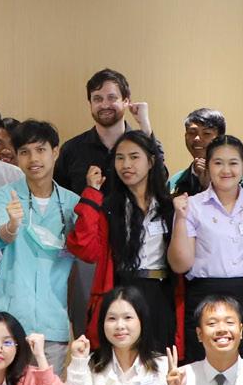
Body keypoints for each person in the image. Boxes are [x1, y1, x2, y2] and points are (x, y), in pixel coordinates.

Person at [170, 135, 243, 368]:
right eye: (218, 163)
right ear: (208, 166)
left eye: (233, 163)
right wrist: (180, 217)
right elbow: (180, 265)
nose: (226, 170)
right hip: (203, 297)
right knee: (202, 373)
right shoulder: (192, 206)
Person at [69, 129, 179, 350]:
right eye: (120, 158)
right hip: (121, 290)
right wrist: (91, 192)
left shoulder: (170, 207)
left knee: (159, 360)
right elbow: (86, 250)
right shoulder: (109, 207)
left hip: (160, 292)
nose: (126, 164)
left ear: (151, 162)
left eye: (134, 157)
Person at [0, 120, 78, 369]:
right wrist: (13, 224)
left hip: (53, 318)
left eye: (40, 150)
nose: (33, 158)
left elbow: (86, 249)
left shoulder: (73, 203)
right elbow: (3, 237)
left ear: (55, 152)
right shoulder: (5, 195)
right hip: (8, 316)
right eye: (24, 152)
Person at [56, 69, 143, 194]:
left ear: (126, 101)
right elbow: (59, 198)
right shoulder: (71, 150)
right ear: (90, 104)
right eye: (97, 99)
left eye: (112, 98)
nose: (105, 105)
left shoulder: (143, 145)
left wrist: (145, 127)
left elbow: (160, 184)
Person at [168, 107, 225, 196]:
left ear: (220, 139)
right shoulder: (175, 181)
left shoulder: (232, 177)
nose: (197, 138)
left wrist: (209, 186)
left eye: (206, 133)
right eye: (192, 133)